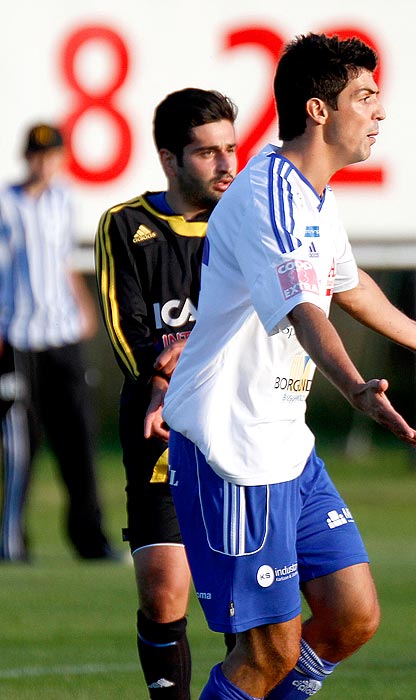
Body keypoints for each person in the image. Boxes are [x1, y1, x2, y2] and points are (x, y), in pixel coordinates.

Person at [162, 33, 416, 700]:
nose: (379, 112)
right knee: (267, 654)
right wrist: (355, 388)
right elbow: (308, 312)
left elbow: (347, 283)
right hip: (233, 450)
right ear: (317, 110)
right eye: (364, 96)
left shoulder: (313, 196)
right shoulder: (269, 197)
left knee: (352, 616)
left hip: (286, 449)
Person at [94, 89, 238, 700]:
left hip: (239, 424)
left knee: (242, 591)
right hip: (161, 425)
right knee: (163, 587)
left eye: (231, 149)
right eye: (207, 154)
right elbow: (126, 330)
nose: (226, 165)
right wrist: (162, 373)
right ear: (169, 159)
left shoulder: (246, 225)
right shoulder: (125, 225)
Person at [0, 123, 114, 562]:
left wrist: (83, 304)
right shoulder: (8, 205)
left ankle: (90, 540)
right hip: (19, 338)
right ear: (26, 157)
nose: (44, 164)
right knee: (19, 445)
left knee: (78, 440)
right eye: (37, 155)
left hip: (61, 335)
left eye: (51, 155)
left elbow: (62, 262)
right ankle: (11, 543)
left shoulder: (63, 201)